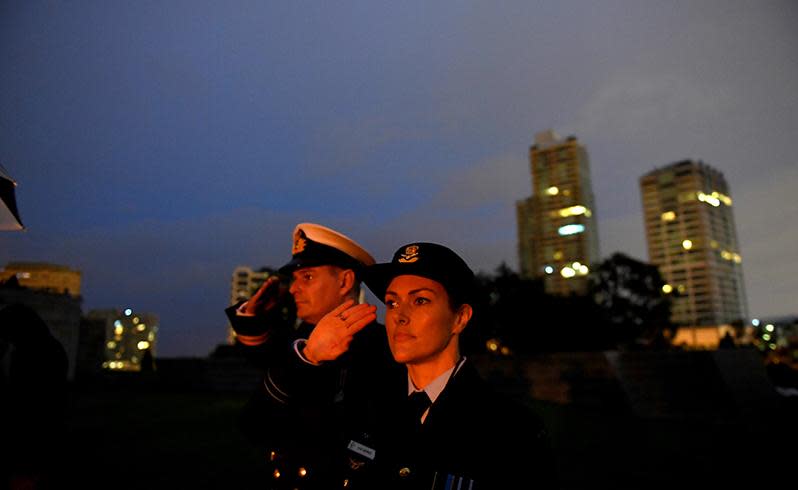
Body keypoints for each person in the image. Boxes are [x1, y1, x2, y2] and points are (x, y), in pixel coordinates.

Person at [362, 242, 558, 489]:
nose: (399, 315)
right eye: (392, 302)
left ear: (460, 318)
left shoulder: (512, 431)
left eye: (420, 300)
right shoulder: (369, 407)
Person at [225, 223, 395, 489]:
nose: (293, 289)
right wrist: (252, 319)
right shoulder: (301, 337)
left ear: (345, 281)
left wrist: (306, 359)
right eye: (295, 279)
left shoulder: (378, 346)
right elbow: (258, 409)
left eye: (307, 277)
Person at [0, 302, 69, 490]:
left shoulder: (31, 354)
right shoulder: (47, 348)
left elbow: (25, 396)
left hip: (30, 434)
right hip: (38, 433)